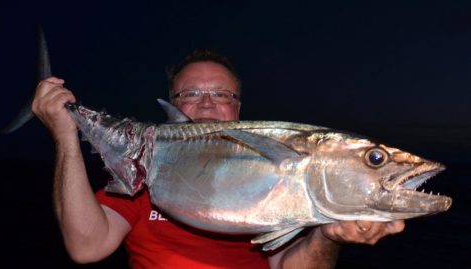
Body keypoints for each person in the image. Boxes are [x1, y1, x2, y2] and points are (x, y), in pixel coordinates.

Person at [31, 49, 405, 268]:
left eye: (222, 95)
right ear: (171, 108)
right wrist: (65, 135)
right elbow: (86, 248)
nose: (207, 103)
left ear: (238, 109)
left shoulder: (286, 186)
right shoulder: (142, 170)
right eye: (190, 94)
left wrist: (328, 236)